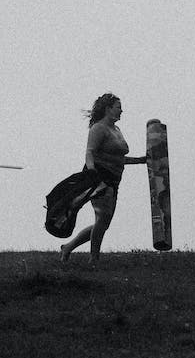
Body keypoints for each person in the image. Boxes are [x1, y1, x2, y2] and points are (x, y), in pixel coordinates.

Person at [60, 93, 146, 264]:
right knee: (103, 216)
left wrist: (141, 160)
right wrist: (92, 172)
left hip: (114, 181)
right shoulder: (98, 128)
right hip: (100, 178)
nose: (122, 111)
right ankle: (94, 259)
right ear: (108, 109)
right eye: (118, 107)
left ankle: (68, 247)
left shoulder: (116, 130)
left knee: (103, 222)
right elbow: (89, 152)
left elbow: (118, 159)